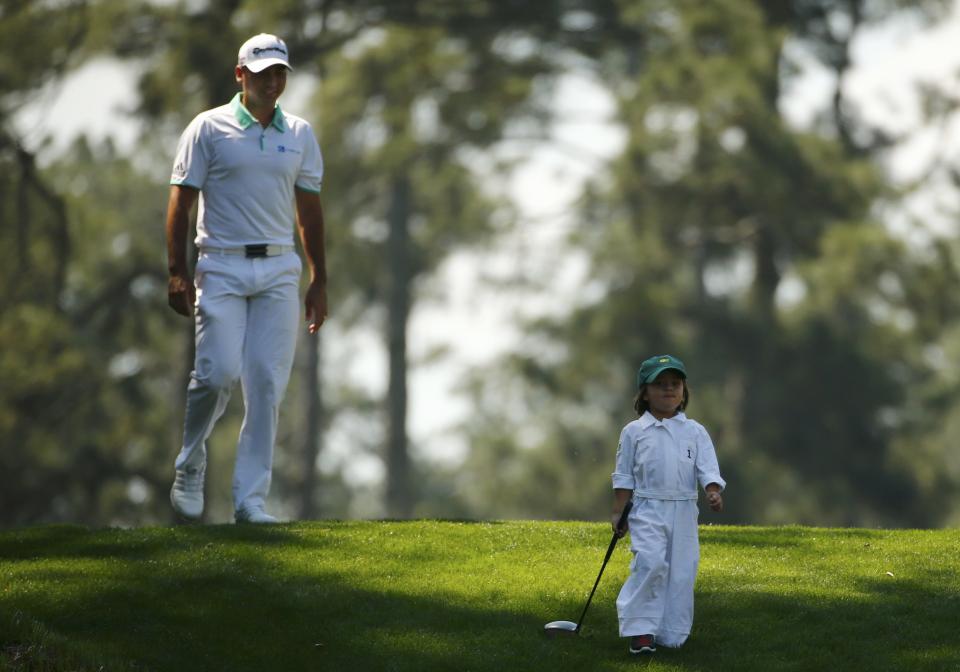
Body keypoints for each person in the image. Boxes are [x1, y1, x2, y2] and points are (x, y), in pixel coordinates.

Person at [165, 33, 327, 524]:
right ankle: (190, 461)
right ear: (241, 75)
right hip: (221, 264)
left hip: (279, 268)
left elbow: (309, 212)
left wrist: (319, 277)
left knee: (266, 384)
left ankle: (250, 500)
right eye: (263, 73)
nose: (273, 81)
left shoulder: (299, 133)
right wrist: (177, 271)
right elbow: (181, 201)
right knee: (215, 376)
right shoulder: (207, 128)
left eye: (280, 73)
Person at [610, 354, 725, 654]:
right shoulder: (634, 432)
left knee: (682, 570)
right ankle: (641, 631)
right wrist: (618, 512)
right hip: (647, 508)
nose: (668, 390)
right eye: (659, 384)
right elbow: (623, 477)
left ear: (684, 390)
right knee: (650, 562)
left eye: (675, 384)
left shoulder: (695, 431)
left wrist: (712, 491)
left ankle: (670, 632)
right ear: (644, 392)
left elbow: (707, 468)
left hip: (685, 510)